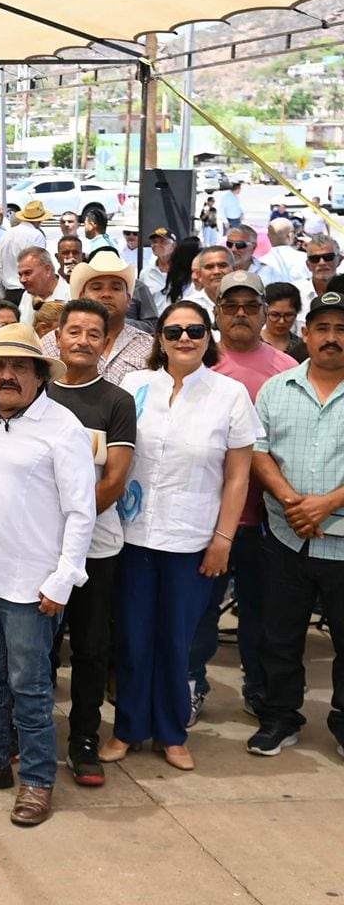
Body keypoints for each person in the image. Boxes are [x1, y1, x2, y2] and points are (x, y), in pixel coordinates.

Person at [0, 323, 95, 826]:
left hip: (33, 586)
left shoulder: (63, 427)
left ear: (38, 374)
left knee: (29, 687)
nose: (7, 376)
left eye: (19, 366)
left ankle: (37, 781)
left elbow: (81, 512)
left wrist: (63, 579)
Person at [106, 301, 256, 772]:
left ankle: (172, 732)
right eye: (174, 331)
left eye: (195, 330)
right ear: (160, 339)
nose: (185, 338)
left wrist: (223, 539)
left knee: (178, 640)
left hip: (192, 539)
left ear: (208, 336)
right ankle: (128, 727)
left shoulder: (229, 394)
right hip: (132, 535)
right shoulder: (134, 387)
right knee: (131, 638)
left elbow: (237, 477)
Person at [189, 272, 297, 726]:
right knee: (199, 614)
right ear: (216, 313)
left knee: (261, 613)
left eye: (249, 306)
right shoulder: (200, 364)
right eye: (230, 306)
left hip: (266, 520)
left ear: (263, 313)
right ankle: (191, 685)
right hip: (205, 519)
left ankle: (258, 686)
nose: (239, 314)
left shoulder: (288, 370)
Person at [246, 291, 344, 758]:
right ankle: (281, 716)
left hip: (342, 540)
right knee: (280, 635)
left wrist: (326, 504)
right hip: (286, 537)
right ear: (305, 334)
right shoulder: (276, 388)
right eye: (322, 329)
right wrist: (290, 501)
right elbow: (257, 450)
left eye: (342, 330)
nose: (332, 338)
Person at [45, 299, 137, 788]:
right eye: (73, 331)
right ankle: (31, 732)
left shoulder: (117, 402)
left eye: (93, 333)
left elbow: (116, 479)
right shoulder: (39, 394)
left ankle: (84, 739)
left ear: (106, 342)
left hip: (96, 548)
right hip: (38, 548)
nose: (82, 340)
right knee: (38, 649)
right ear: (57, 337)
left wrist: (71, 526)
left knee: (91, 646)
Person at [40, 253, 152, 385]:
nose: (106, 294)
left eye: (116, 288)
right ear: (81, 295)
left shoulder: (149, 347)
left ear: (128, 299)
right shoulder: (49, 344)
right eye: (97, 287)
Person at [16, 247, 70, 326]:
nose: (22, 280)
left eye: (27, 273)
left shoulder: (71, 296)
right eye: (20, 275)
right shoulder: (26, 296)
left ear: (47, 270)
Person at [262, 281, 308, 362]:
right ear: (264, 311)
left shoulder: (303, 348)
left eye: (288, 315)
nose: (281, 321)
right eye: (275, 315)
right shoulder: (252, 343)